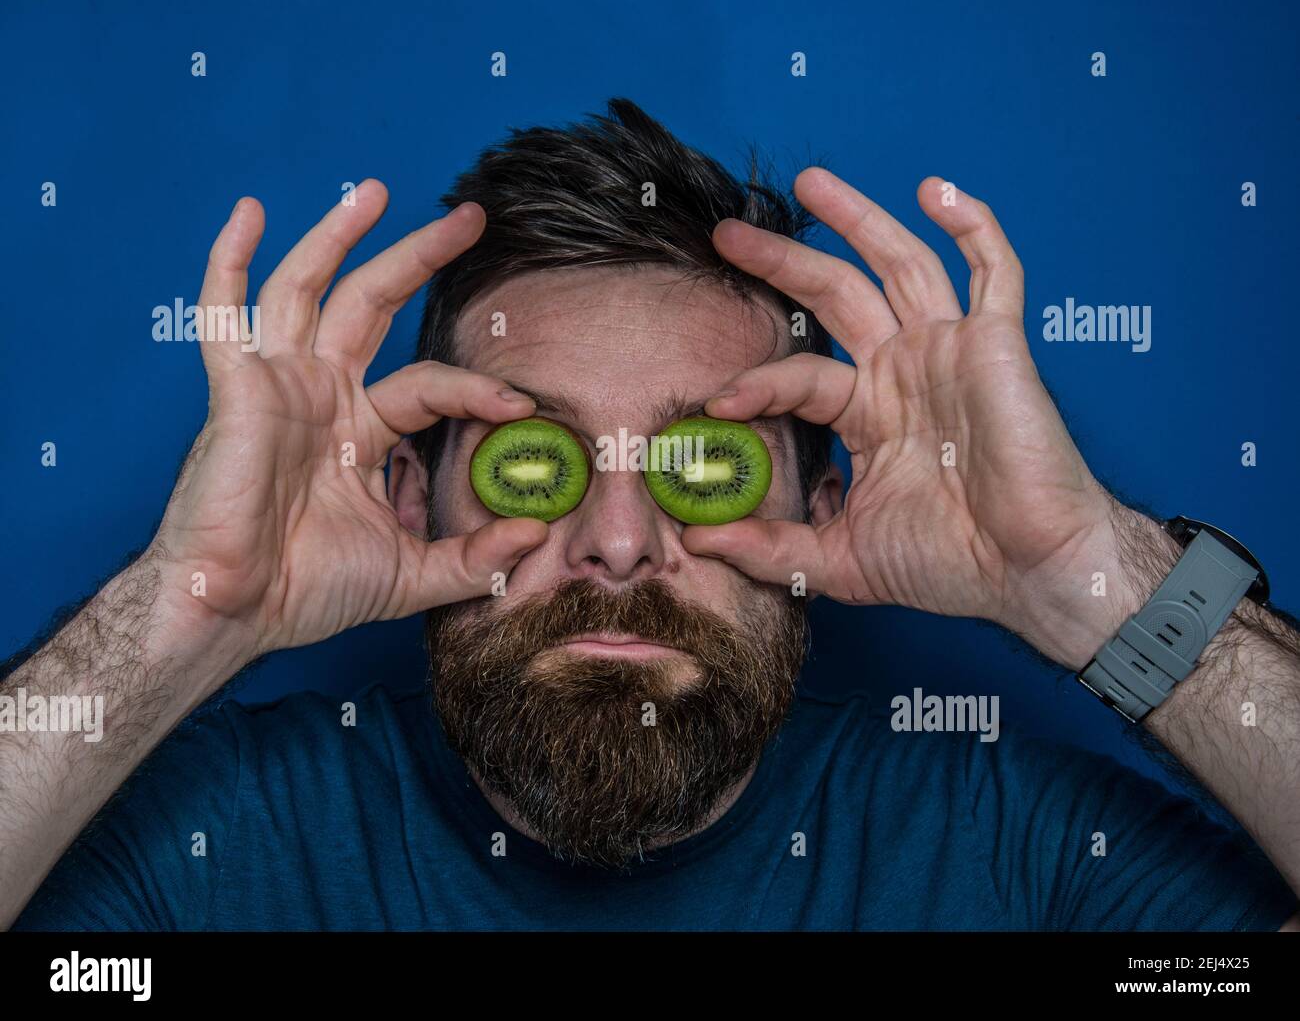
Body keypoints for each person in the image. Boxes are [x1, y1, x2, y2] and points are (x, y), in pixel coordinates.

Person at [4, 99, 1297, 931]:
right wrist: (186, 611)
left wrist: (1086, 578)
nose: (618, 542)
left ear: (827, 504)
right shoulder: (215, 850)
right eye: (532, 458)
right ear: (407, 496)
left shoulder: (1020, 857)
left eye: (705, 463)